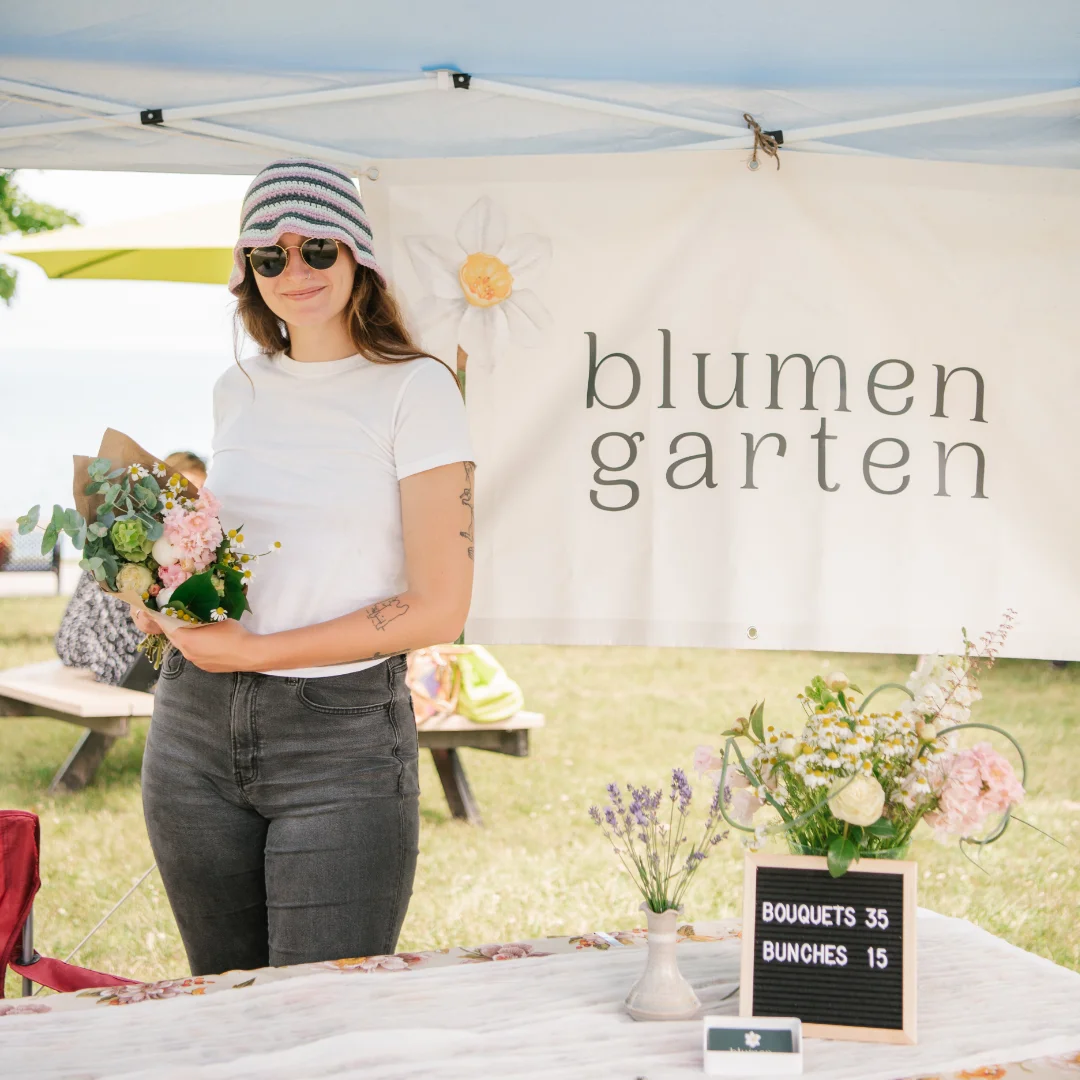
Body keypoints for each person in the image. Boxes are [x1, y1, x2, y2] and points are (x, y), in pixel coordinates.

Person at [133, 158, 475, 977]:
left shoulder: (417, 389)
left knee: (321, 1026)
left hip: (340, 740)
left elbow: (438, 608)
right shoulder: (237, 388)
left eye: (317, 247)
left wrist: (252, 652)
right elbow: (237, 554)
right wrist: (157, 598)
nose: (296, 271)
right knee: (222, 1000)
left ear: (359, 257)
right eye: (269, 254)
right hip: (190, 731)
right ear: (247, 274)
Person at [55, 451, 207, 686]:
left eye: (197, 492)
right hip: (88, 638)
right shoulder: (134, 526)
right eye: (183, 489)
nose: (189, 501)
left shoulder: (191, 543)